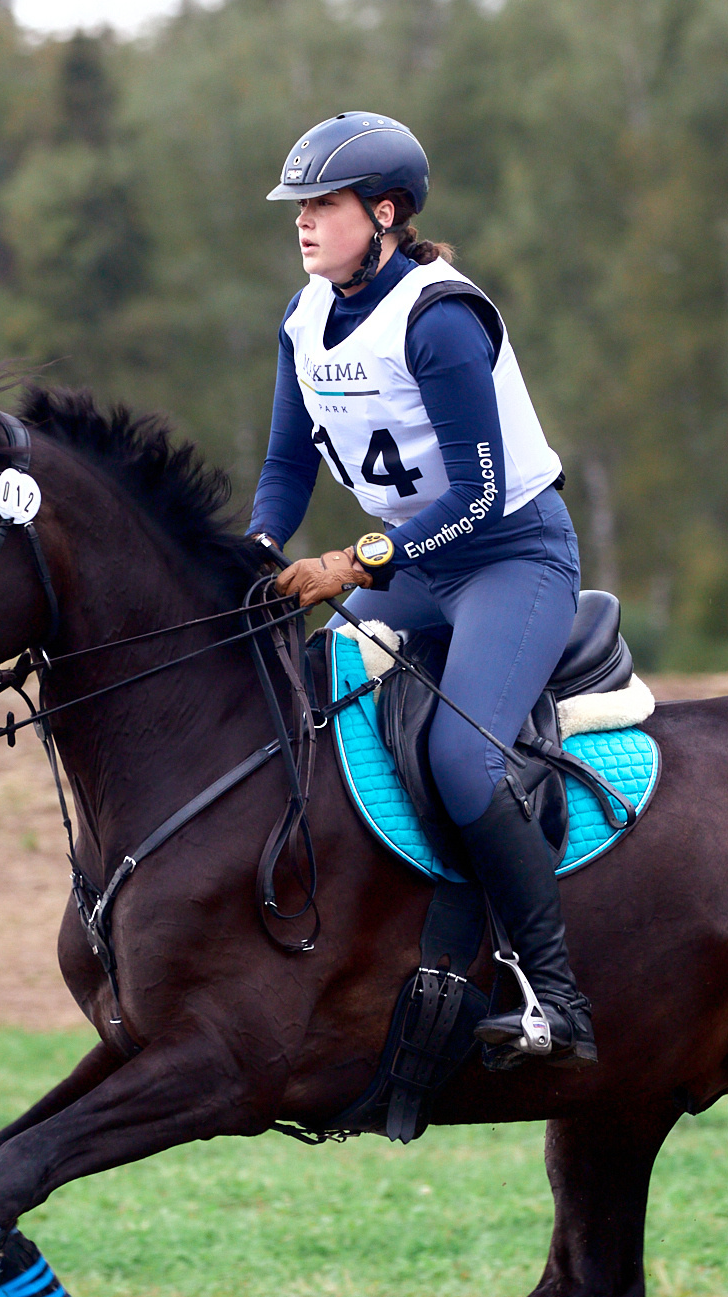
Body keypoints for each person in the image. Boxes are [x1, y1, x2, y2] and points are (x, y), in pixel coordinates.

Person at [249, 112, 594, 1065]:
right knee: (310, 707)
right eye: (299, 208)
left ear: (386, 213)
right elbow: (285, 468)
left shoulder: (440, 318)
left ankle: (559, 1000)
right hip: (418, 568)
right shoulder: (303, 318)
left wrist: (348, 566)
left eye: (323, 204)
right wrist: (254, 556)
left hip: (511, 559)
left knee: (459, 758)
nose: (304, 223)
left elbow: (480, 499)